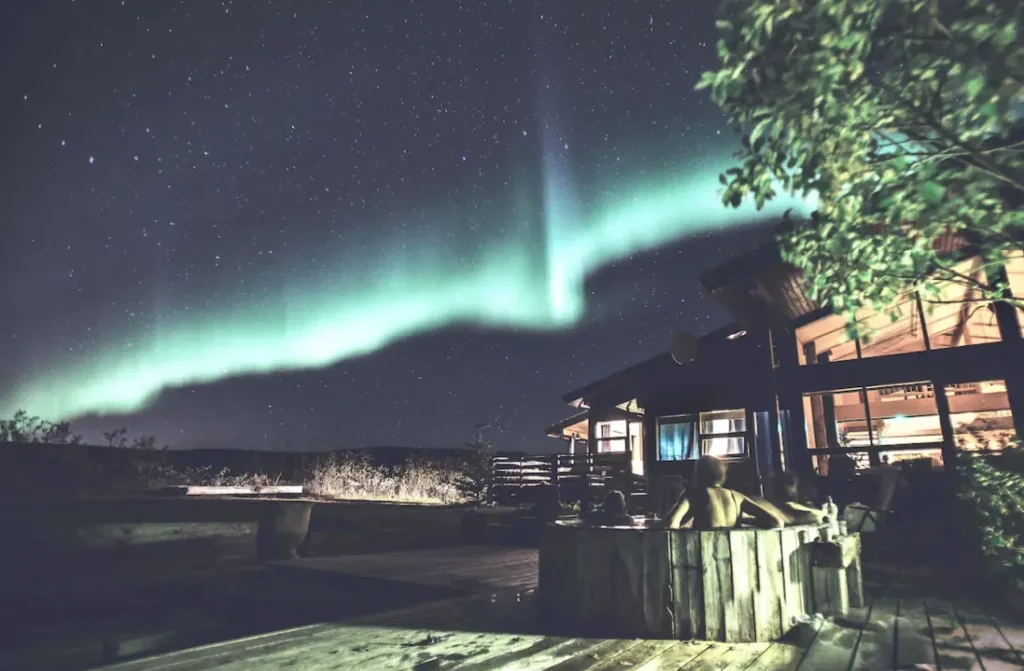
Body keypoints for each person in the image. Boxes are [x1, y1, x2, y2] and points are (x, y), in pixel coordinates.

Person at [665, 455, 785, 530]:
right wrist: (745, 521)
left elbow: (671, 523)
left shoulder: (694, 494)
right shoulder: (737, 497)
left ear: (698, 474)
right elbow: (776, 522)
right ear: (722, 475)